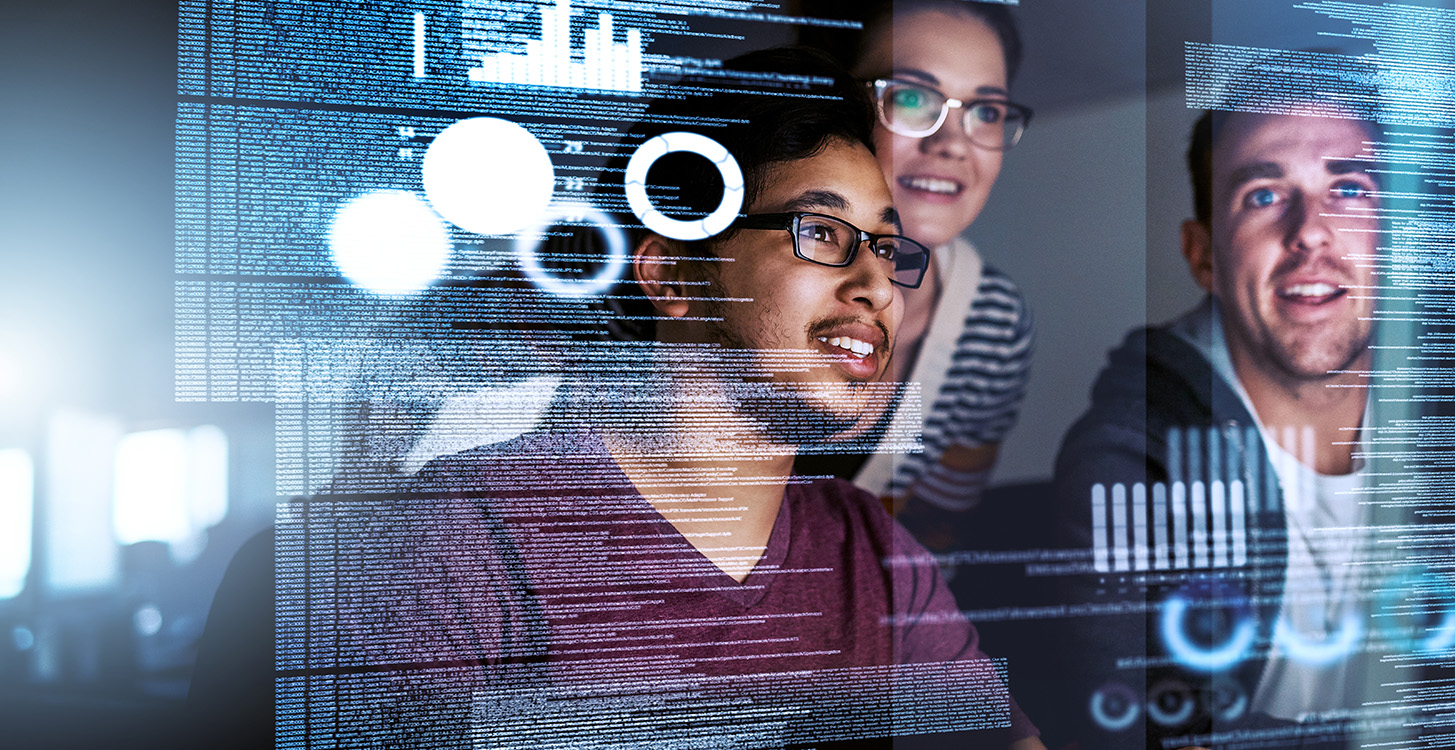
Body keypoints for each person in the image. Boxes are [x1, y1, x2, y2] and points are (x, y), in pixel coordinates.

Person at [295, 48, 1046, 749]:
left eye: (886, 247)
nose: (878, 284)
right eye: (820, 231)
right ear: (675, 276)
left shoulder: (875, 555)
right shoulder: (457, 541)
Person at [1050, 67, 1384, 747]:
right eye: (1264, 195)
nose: (1310, 233)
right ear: (1202, 256)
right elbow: (1143, 731)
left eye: (1348, 190)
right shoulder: (1129, 460)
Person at [792, 0, 1035, 544]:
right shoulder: (707, 264)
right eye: (909, 97)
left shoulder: (992, 325)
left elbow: (935, 529)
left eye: (987, 111)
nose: (951, 144)